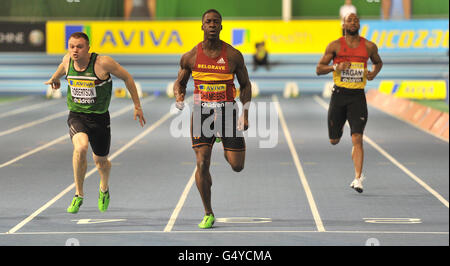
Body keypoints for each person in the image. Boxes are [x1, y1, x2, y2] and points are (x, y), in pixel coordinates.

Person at [45, 32, 146, 213]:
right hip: (77, 115)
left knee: (101, 161)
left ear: (88, 48)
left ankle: (104, 188)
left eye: (79, 47)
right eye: (72, 46)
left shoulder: (102, 62)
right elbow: (62, 67)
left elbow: (127, 78)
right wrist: (54, 78)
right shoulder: (68, 60)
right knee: (81, 147)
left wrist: (137, 106)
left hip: (100, 119)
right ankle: (78, 194)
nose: (75, 50)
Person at [173, 9, 252, 229]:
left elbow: (246, 85)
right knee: (202, 162)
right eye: (208, 21)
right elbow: (179, 82)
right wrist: (179, 94)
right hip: (202, 112)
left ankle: (225, 144)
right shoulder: (190, 56)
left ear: (221, 26)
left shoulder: (233, 55)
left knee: (237, 166)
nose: (212, 25)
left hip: (227, 111)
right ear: (202, 26)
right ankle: (208, 212)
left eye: (216, 22)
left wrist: (245, 114)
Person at [316, 13, 383, 193]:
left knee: (357, 138)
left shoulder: (369, 46)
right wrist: (335, 67)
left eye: (355, 20)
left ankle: (358, 178)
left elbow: (378, 62)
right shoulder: (335, 45)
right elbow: (319, 69)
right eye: (349, 20)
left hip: (357, 97)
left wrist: (373, 73)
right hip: (339, 96)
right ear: (344, 24)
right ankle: (344, 128)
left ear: (359, 24)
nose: (353, 22)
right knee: (334, 140)